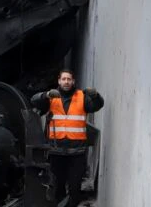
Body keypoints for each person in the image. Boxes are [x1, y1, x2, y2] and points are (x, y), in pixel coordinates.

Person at [31, 70, 104, 207]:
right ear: (59, 81)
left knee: (75, 190)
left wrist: (95, 96)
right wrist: (45, 94)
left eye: (68, 79)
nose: (66, 82)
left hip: (77, 154)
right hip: (56, 153)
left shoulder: (82, 97)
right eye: (63, 79)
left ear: (73, 81)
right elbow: (34, 101)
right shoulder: (51, 97)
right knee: (57, 189)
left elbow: (97, 105)